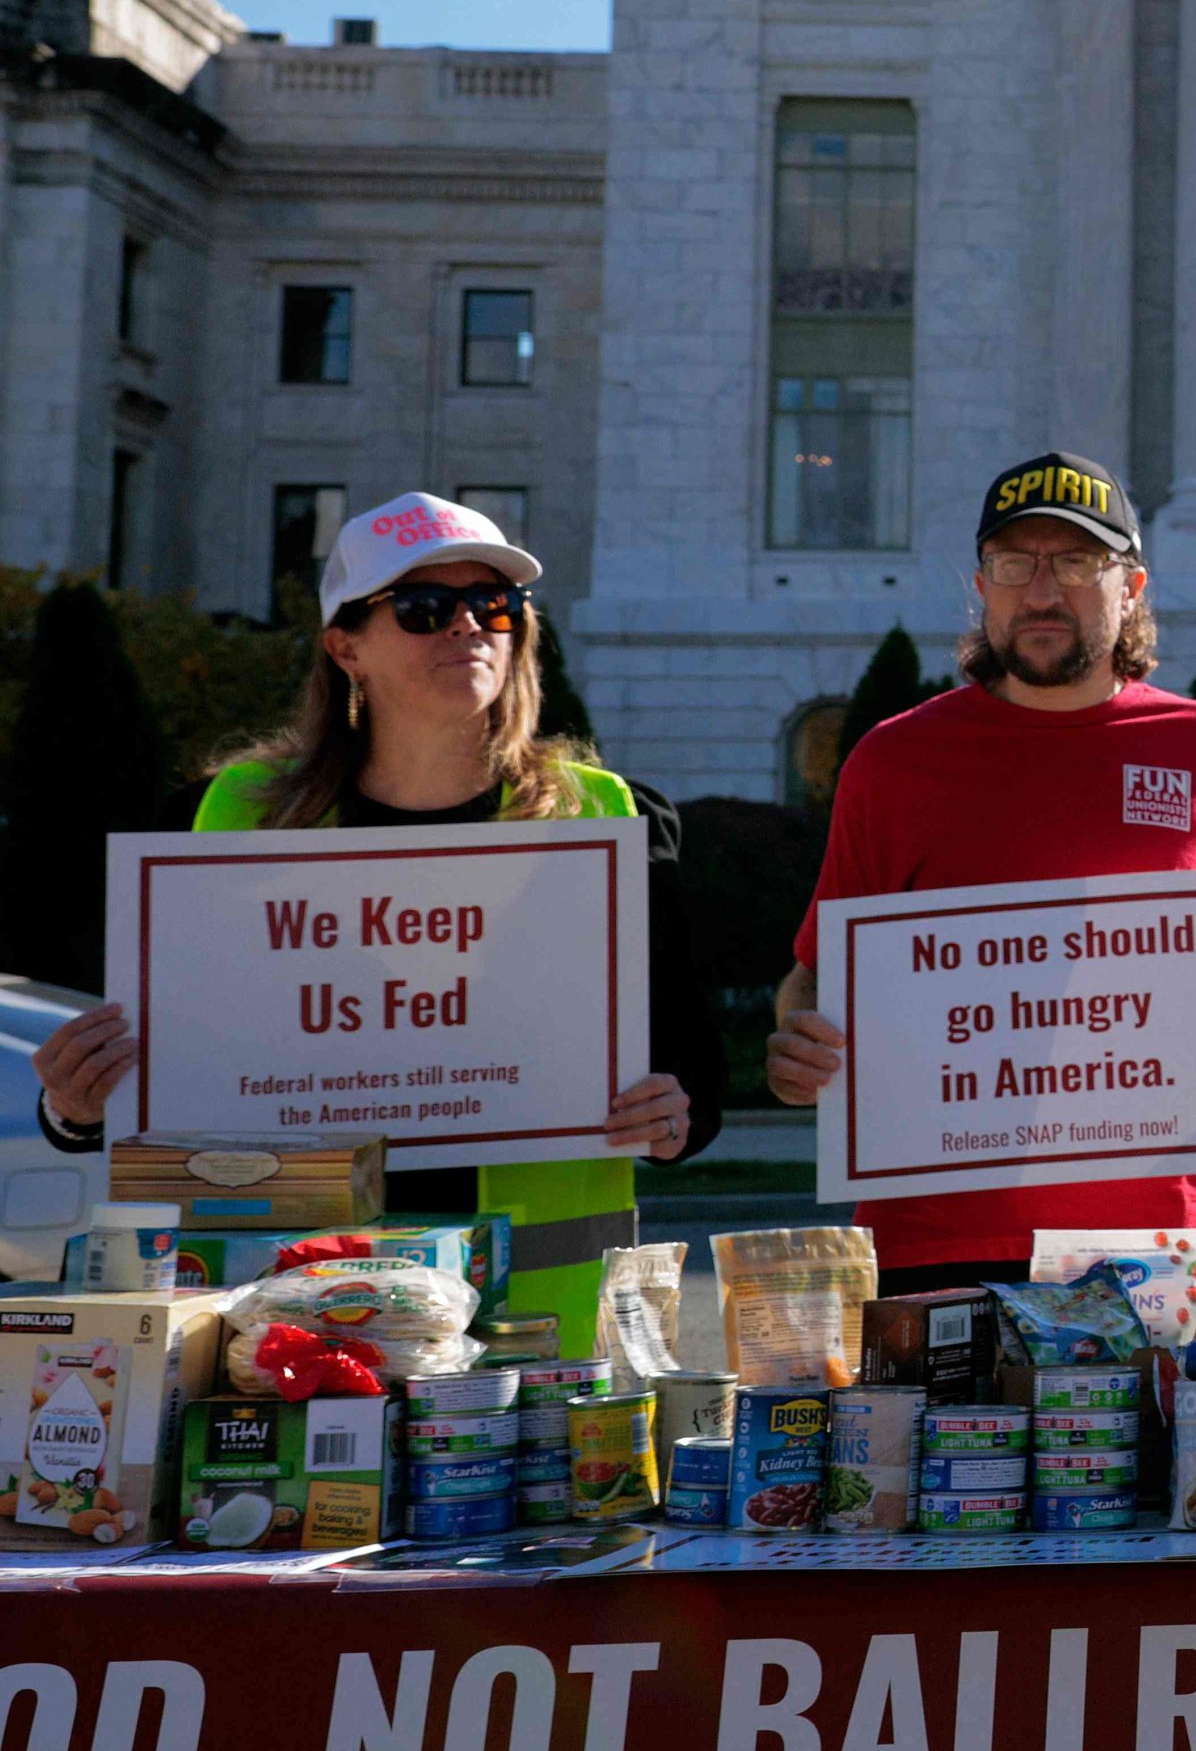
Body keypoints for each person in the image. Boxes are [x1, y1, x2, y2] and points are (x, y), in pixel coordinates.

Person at [31, 492, 720, 1349]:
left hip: (542, 1340)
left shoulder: (603, 818)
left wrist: (673, 1114)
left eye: (495, 605)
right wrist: (74, 1109)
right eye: (426, 608)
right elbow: (156, 1073)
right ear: (345, 645)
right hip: (288, 1324)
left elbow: (693, 1076)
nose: (468, 626)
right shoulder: (224, 819)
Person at [760, 452, 1196, 1310]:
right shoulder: (893, 761)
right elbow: (819, 971)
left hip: (1166, 1235)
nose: (1041, 590)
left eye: (1076, 562)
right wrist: (796, 1041)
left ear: (1132, 586)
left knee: (1166, 1452)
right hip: (939, 1235)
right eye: (1014, 565)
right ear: (982, 586)